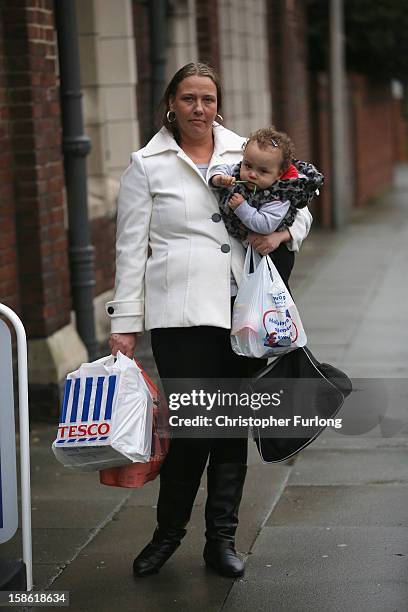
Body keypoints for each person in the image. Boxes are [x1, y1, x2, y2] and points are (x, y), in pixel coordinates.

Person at [106, 62, 312, 579]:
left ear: (218, 104)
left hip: (241, 315)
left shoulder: (248, 150)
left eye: (208, 99)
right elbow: (130, 249)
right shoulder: (147, 164)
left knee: (227, 431)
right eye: (189, 98)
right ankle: (167, 534)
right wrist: (125, 322)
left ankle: (221, 541)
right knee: (194, 430)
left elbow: (301, 202)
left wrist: (282, 235)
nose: (200, 109)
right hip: (179, 316)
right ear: (171, 104)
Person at [209, 126, 323, 288]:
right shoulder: (240, 168)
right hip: (243, 258)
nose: (252, 174)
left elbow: (265, 225)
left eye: (262, 171)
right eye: (247, 166)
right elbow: (226, 168)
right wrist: (218, 178)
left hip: (275, 256)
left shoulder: (279, 196)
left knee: (271, 297)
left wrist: (241, 207)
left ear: (279, 174)